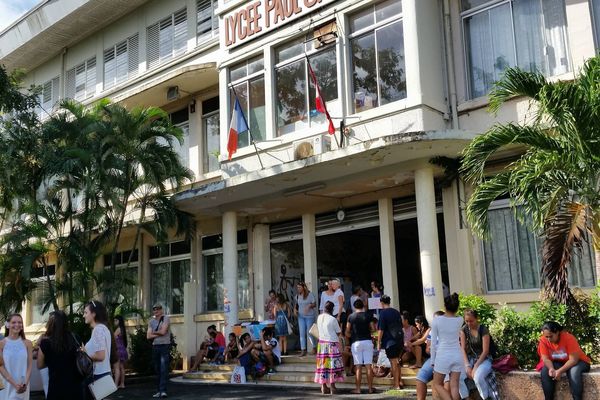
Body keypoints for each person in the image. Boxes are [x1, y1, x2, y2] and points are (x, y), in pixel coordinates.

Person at [538, 321, 591, 400]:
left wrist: (559, 371)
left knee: (574, 371)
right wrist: (551, 368)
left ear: (557, 332)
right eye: (546, 337)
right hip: (560, 362)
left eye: (551, 336)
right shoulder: (543, 340)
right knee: (545, 370)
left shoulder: (568, 338)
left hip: (579, 362)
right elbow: (545, 359)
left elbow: (573, 360)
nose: (548, 339)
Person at [37, 310, 84, 400]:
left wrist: (51, 361)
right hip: (75, 387)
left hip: (56, 387)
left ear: (50, 324)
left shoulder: (45, 342)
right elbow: (84, 354)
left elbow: (39, 364)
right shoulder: (75, 337)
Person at [430, 293, 464, 400]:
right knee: (455, 386)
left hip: (443, 355)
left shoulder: (437, 320)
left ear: (444, 306)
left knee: (437, 384)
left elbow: (433, 342)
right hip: (457, 355)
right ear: (457, 307)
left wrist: (432, 360)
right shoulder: (460, 320)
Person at [459, 309, 498, 400]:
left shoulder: (483, 329)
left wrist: (475, 367)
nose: (469, 323)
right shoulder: (464, 329)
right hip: (471, 359)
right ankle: (466, 397)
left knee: (478, 377)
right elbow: (463, 349)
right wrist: (467, 366)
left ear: (477, 319)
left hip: (485, 359)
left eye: (471, 321)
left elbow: (485, 351)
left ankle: (486, 398)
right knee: (458, 375)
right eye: (466, 321)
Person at [83, 301, 113, 400]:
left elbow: (100, 356)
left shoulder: (98, 329)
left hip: (98, 375)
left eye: (86, 312)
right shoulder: (104, 328)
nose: (84, 315)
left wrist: (84, 353)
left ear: (94, 314)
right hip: (103, 374)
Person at [345, 299, 375, 394]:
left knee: (358, 367)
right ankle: (370, 388)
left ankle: (358, 389)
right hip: (367, 341)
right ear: (363, 306)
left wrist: (350, 336)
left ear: (354, 307)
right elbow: (373, 328)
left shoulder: (351, 316)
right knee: (368, 366)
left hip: (356, 342)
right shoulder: (368, 315)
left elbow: (347, 330)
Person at [314, 301, 344, 395]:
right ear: (332, 309)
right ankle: (332, 387)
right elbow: (338, 332)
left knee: (323, 365)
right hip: (331, 345)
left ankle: (323, 386)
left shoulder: (319, 317)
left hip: (322, 345)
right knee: (332, 366)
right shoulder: (333, 319)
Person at [0, 313, 32, 400]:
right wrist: (14, 384)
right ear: (7, 325)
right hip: (7, 384)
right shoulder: (1, 344)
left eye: (20, 322)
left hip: (23, 385)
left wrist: (24, 383)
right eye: (13, 322)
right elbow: (1, 367)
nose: (17, 325)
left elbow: (29, 366)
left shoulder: (28, 343)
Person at [416, 311, 446, 400]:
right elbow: (427, 348)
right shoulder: (432, 332)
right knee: (420, 378)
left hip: (446, 360)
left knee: (437, 381)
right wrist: (429, 350)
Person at [376, 294, 403, 390]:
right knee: (397, 362)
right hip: (399, 340)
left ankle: (396, 384)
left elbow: (381, 329)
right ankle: (399, 381)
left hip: (389, 341)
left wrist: (378, 342)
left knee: (393, 362)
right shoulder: (396, 312)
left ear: (382, 303)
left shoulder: (383, 313)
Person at [146, 303, 170, 399]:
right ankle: (158, 391)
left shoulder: (166, 318)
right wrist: (159, 333)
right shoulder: (151, 321)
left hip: (164, 345)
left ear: (161, 310)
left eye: (158, 309)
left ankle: (163, 391)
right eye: (154, 309)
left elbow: (164, 332)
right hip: (155, 346)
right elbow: (148, 336)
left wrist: (154, 332)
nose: (156, 311)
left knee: (164, 369)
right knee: (157, 369)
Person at [295, 282, 317, 357]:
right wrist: (295, 310)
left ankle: (314, 348)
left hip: (309, 316)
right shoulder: (297, 296)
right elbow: (296, 304)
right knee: (302, 333)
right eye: (297, 287)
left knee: (309, 333)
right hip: (301, 316)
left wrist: (309, 306)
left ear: (304, 287)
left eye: (299, 287)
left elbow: (315, 304)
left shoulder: (310, 295)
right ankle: (303, 350)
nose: (298, 289)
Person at [113, 315, 128, 389]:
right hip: (123, 349)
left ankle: (115, 385)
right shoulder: (123, 329)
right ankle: (122, 384)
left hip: (118, 350)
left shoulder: (118, 329)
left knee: (117, 368)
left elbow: (113, 338)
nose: (114, 322)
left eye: (116, 320)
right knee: (122, 367)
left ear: (119, 321)